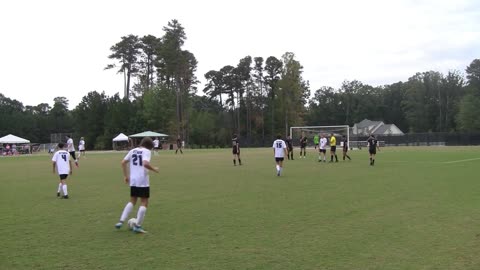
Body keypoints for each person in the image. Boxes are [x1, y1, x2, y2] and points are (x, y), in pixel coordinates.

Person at [115, 137, 159, 233]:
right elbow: (145, 164)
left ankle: (121, 221)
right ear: (149, 146)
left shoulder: (132, 151)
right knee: (144, 202)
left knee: (132, 200)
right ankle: (138, 226)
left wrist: (126, 176)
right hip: (142, 180)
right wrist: (154, 169)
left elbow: (123, 162)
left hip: (133, 180)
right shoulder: (147, 151)